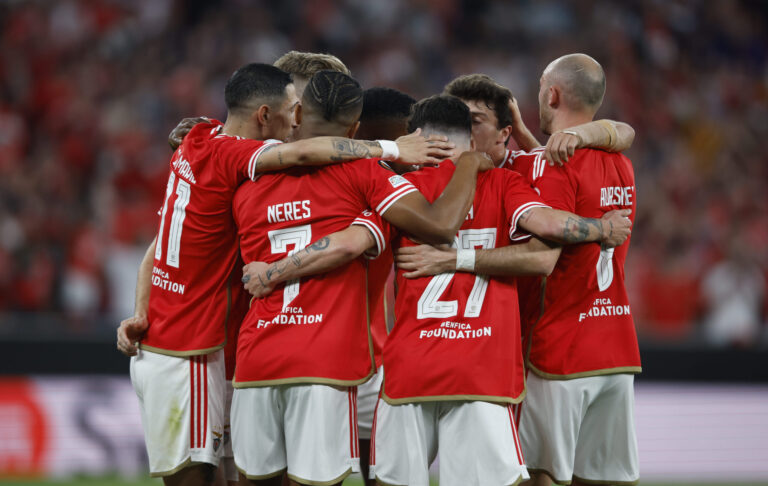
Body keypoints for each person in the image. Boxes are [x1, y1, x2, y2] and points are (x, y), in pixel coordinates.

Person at [242, 94, 631, 486]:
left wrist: (272, 271)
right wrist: (601, 228)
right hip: (483, 373)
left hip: (411, 369)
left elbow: (350, 243)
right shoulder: (506, 182)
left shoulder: (400, 189)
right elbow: (547, 233)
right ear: (472, 140)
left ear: (417, 137)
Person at [115, 63, 452, 486]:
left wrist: (142, 309)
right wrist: (406, 153)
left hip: (251, 355)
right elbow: (425, 228)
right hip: (321, 358)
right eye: (291, 106)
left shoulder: (213, 153)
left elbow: (159, 245)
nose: (294, 119)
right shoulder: (357, 176)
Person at [230, 71, 491, 486]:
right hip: (336, 359)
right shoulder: (366, 176)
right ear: (354, 130)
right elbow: (435, 227)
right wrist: (472, 162)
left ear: (297, 113)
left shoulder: (247, 176)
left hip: (258, 352)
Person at [399, 54, 641, 486]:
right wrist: (581, 132)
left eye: (472, 121)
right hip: (616, 345)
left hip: (557, 349)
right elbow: (622, 132)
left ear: (552, 93)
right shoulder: (618, 160)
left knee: (539, 475)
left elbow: (543, 250)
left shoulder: (534, 168)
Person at [443, 73, 636, 167]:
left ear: (503, 134)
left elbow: (625, 131)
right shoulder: (435, 171)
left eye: (474, 121)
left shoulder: (524, 169)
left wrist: (577, 134)